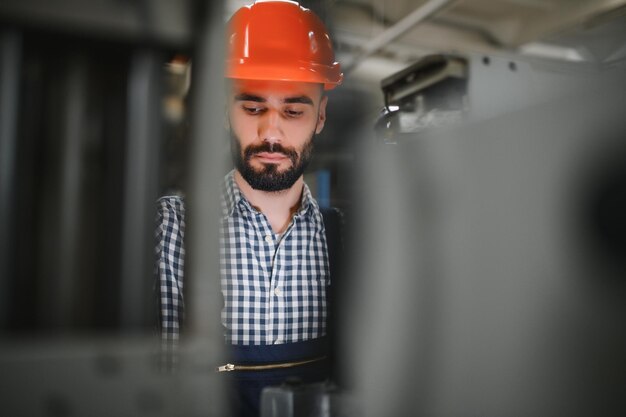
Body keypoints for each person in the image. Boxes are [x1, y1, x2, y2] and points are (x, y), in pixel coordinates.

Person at [155, 1, 343, 416]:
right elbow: (159, 392)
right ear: (225, 110)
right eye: (253, 107)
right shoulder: (173, 231)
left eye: (293, 110)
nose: (270, 132)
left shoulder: (344, 242)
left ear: (321, 117)